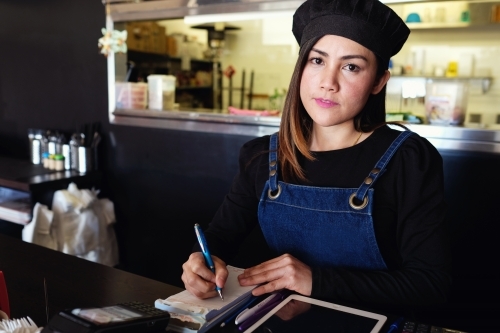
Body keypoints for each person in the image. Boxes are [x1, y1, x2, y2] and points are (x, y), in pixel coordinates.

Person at [181, 0, 451, 312]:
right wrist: (200, 263)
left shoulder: (410, 160)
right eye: (317, 61)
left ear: (378, 81)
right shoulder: (262, 156)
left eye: (351, 67)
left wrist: (316, 281)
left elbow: (431, 284)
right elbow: (219, 239)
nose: (328, 83)